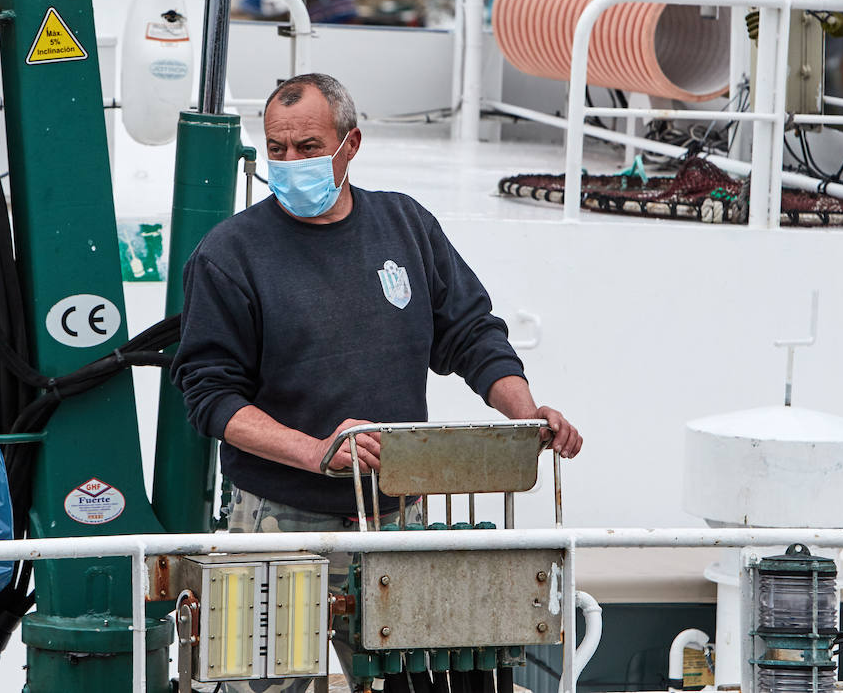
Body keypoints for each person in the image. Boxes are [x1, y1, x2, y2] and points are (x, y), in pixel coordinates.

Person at [170, 72, 582, 690]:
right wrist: (317, 452)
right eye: (277, 149)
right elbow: (209, 395)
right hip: (276, 529)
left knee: (428, 682)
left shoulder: (406, 225)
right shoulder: (228, 254)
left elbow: (470, 334)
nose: (290, 163)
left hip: (399, 520)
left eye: (308, 147)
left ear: (350, 144)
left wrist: (523, 414)